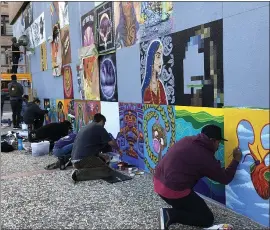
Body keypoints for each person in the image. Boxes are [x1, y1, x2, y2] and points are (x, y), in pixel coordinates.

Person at [154, 125, 242, 230]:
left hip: (158, 182)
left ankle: (179, 208)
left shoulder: (187, 139)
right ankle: (170, 214)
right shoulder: (205, 157)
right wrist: (236, 160)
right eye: (218, 142)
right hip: (172, 190)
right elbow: (225, 178)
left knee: (188, 192)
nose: (218, 146)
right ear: (212, 140)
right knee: (207, 218)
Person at [71, 113, 120, 182]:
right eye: (104, 123)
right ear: (102, 121)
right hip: (82, 160)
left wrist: (100, 155)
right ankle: (78, 174)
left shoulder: (86, 127)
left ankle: (83, 170)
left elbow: (88, 147)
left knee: (102, 162)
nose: (104, 125)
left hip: (75, 160)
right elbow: (111, 143)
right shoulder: (99, 127)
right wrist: (119, 150)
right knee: (108, 171)